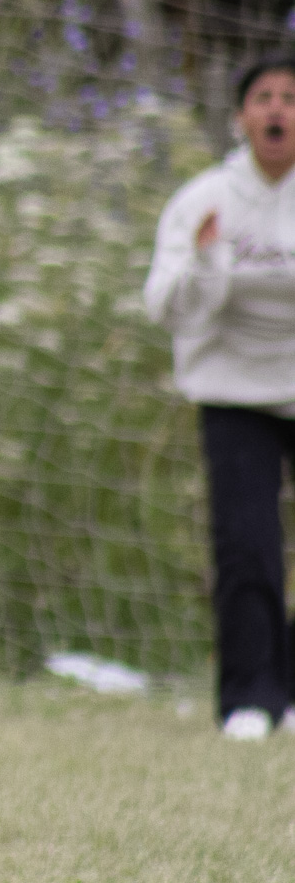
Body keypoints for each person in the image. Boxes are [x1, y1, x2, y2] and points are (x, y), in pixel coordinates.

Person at [144, 54, 295, 742]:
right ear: (241, 117)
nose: (277, 109)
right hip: (235, 395)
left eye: (290, 97)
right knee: (247, 546)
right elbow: (165, 308)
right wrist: (209, 264)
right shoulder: (204, 200)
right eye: (264, 97)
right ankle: (249, 700)